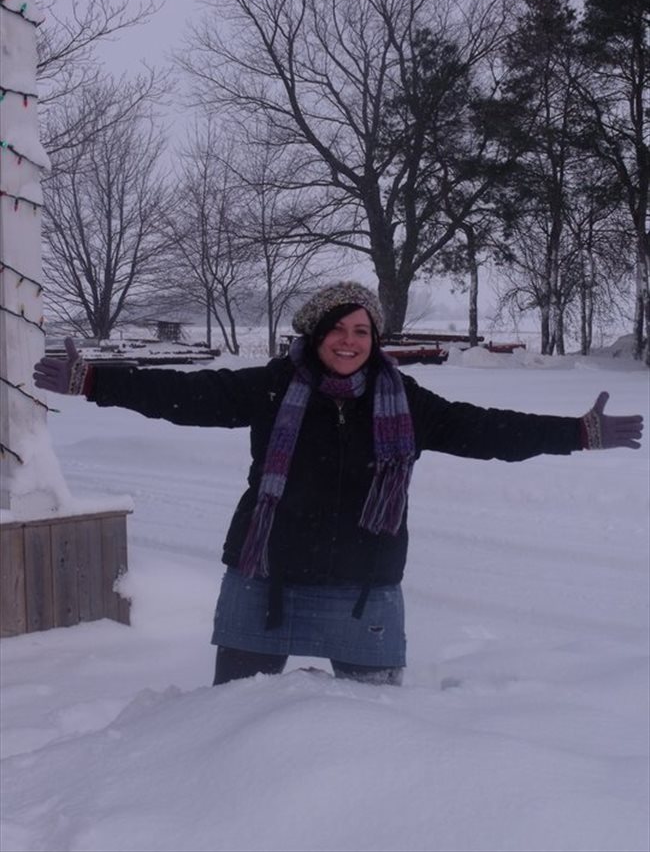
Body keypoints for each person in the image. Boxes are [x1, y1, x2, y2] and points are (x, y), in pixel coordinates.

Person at [33, 281, 644, 686]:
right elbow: (187, 395)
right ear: (316, 333)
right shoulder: (274, 385)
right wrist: (96, 381)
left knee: (376, 731)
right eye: (338, 329)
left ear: (374, 340)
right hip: (263, 579)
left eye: (362, 331)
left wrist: (578, 432)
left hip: (363, 588)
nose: (349, 341)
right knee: (231, 720)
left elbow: (486, 430)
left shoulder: (403, 400)